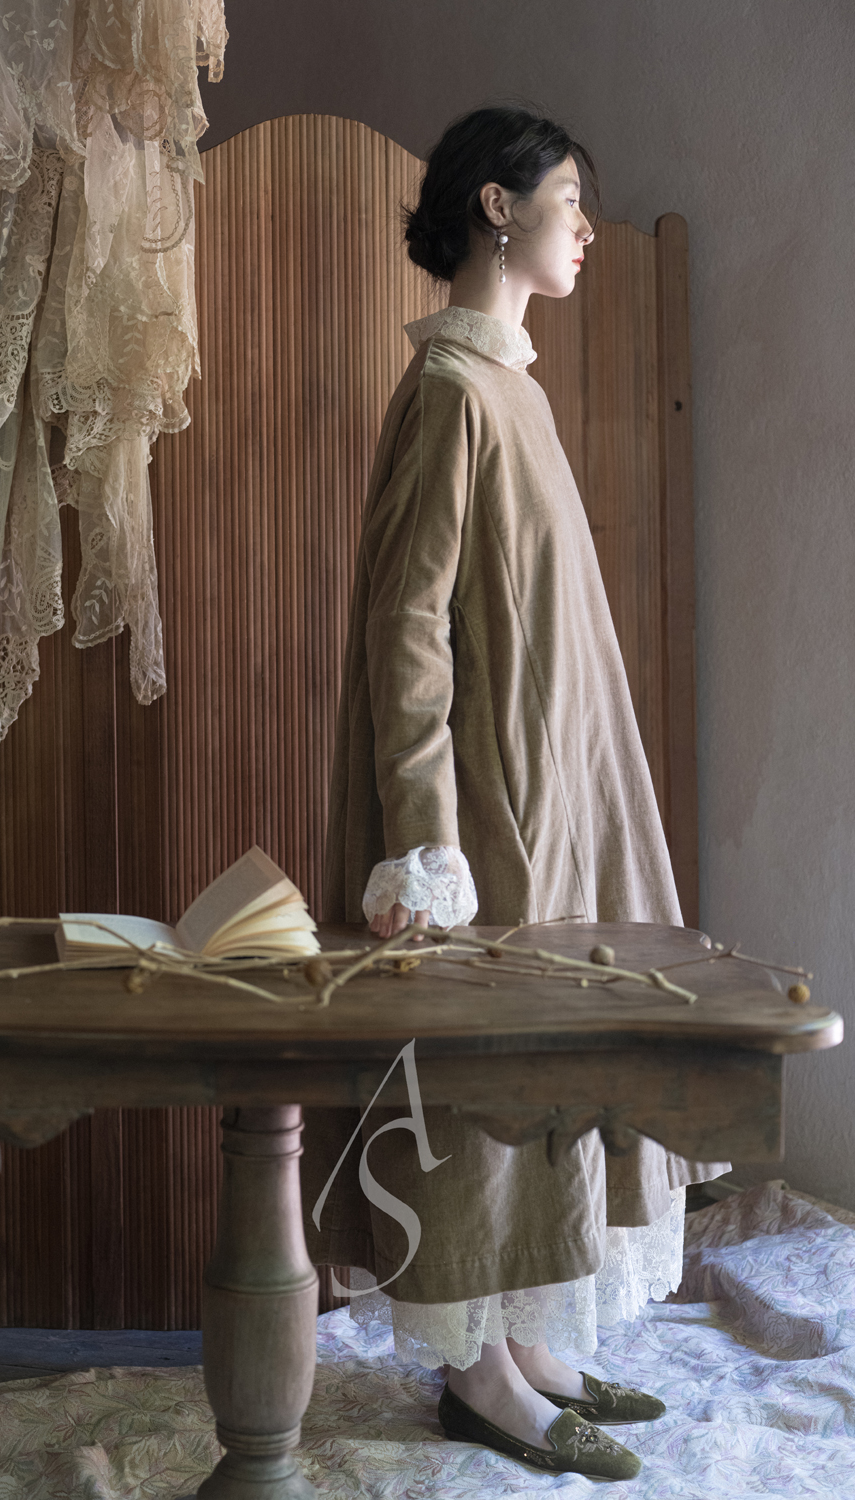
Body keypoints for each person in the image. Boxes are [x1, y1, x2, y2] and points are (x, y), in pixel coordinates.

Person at [303, 106, 729, 1482]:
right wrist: (425, 840)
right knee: (487, 1075)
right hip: (490, 808)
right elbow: (406, 633)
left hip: (561, 791)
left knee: (555, 1062)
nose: (586, 229)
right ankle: (476, 1376)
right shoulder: (449, 391)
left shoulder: (511, 386)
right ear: (497, 207)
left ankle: (535, 1342)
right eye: (568, 201)